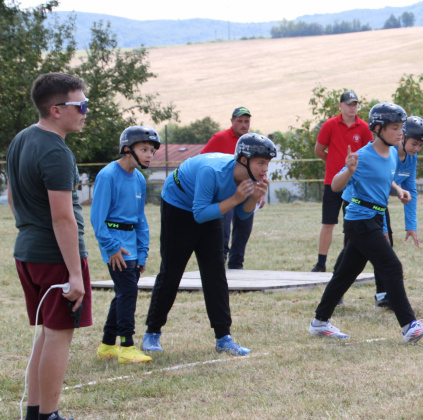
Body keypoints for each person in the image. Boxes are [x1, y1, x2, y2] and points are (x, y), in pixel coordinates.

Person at [308, 102, 423, 344]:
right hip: (360, 220)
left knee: (345, 274)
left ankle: (319, 322)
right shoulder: (363, 156)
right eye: (395, 128)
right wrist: (348, 170)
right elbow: (336, 185)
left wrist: (398, 190)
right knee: (392, 266)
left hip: (376, 217)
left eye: (401, 128)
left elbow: (384, 178)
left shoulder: (390, 153)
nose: (401, 133)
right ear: (378, 128)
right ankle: (409, 325)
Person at [6, 72, 93, 420]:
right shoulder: (56, 152)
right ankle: (49, 415)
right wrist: (75, 274)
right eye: (81, 104)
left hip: (28, 250)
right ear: (56, 110)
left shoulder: (22, 139)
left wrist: (29, 227)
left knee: (48, 332)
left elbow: (13, 197)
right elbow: (62, 218)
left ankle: (35, 412)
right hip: (54, 258)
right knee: (59, 336)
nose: (86, 111)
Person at [143, 133, 275, 355]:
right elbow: (199, 214)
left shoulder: (253, 178)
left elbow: (242, 216)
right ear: (244, 159)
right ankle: (152, 333)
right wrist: (234, 200)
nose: (265, 169)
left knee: (215, 272)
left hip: (209, 206)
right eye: (261, 162)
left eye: (267, 163)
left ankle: (224, 338)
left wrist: (252, 198)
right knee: (172, 271)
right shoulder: (211, 171)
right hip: (179, 204)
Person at [92, 126, 160, 364]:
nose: (149, 154)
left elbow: (140, 219)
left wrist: (142, 253)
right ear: (127, 149)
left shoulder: (139, 179)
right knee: (128, 292)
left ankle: (107, 344)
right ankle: (127, 346)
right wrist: (111, 247)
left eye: (151, 150)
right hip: (115, 245)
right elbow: (96, 218)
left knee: (123, 293)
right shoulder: (107, 175)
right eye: (144, 149)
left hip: (132, 245)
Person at [311, 90, 374, 272]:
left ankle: (346, 263)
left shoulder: (363, 127)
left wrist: (352, 170)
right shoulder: (330, 125)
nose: (352, 108)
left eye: (355, 104)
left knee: (351, 224)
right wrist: (335, 164)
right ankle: (321, 263)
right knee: (328, 223)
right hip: (332, 182)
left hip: (354, 184)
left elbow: (369, 153)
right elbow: (319, 150)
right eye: (348, 104)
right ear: (340, 106)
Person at [373, 115, 423, 308]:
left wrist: (411, 226)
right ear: (403, 137)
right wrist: (381, 227)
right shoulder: (387, 153)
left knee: (380, 248)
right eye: (414, 143)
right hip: (359, 203)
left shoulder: (411, 158)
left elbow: (411, 189)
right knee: (365, 249)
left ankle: (383, 294)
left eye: (420, 146)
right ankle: (384, 294)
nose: (417, 149)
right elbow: (380, 186)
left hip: (378, 202)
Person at [200, 106, 255, 269]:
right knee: (222, 229)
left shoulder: (252, 140)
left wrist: (259, 194)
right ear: (232, 122)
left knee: (244, 227)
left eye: (247, 121)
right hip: (224, 191)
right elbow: (203, 159)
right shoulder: (219, 138)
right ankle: (218, 262)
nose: (243, 125)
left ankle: (237, 263)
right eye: (240, 121)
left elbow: (259, 166)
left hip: (246, 189)